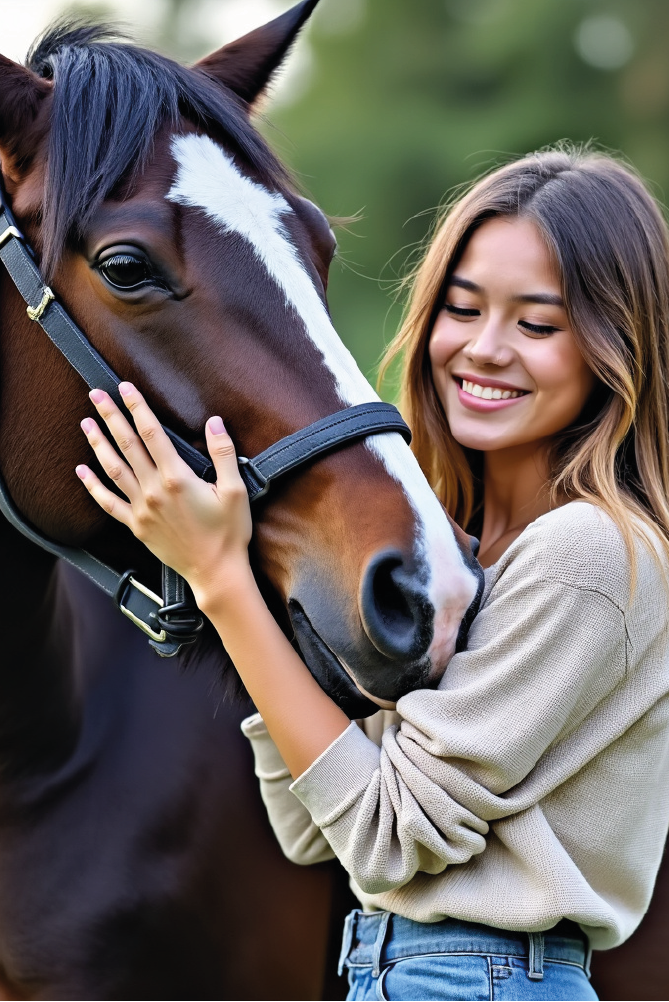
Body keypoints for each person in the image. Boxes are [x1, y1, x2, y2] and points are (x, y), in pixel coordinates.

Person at [75, 145, 669, 1002]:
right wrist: (256, 571)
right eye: (461, 310)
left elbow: (383, 840)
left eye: (536, 325)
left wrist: (219, 581)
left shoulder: (589, 554)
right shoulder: (460, 554)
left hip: (483, 982)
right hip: (400, 971)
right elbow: (310, 829)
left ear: (613, 348)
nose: (484, 349)